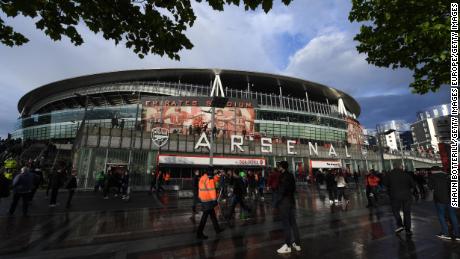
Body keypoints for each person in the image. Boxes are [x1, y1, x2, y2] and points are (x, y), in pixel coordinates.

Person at [276, 161, 301, 254]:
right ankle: (297, 244)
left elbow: (282, 190)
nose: (278, 168)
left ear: (282, 167)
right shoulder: (291, 175)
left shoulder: (283, 176)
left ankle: (287, 245)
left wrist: (277, 201)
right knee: (293, 223)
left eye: (279, 166)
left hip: (284, 202)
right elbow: (294, 189)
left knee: (286, 224)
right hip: (291, 201)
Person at [428, 166, 459, 240]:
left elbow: (430, 187)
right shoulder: (448, 176)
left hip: (440, 200)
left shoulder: (432, 176)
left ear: (433, 171)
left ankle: (445, 233)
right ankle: (457, 234)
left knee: (441, 215)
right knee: (453, 215)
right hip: (451, 199)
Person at [383, 165, 415, 236]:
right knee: (407, 212)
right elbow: (413, 185)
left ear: (393, 167)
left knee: (395, 211)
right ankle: (408, 230)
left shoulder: (389, 174)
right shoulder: (406, 174)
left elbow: (384, 184)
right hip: (407, 196)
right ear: (401, 168)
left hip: (394, 196)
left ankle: (400, 225)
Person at [196, 168, 224, 239]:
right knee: (204, 217)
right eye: (213, 172)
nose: (214, 173)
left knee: (213, 216)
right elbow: (212, 191)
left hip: (204, 200)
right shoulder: (209, 180)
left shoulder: (203, 177)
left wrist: (217, 176)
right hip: (208, 201)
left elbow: (213, 180)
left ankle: (217, 229)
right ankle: (199, 233)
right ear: (210, 172)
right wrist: (214, 201)